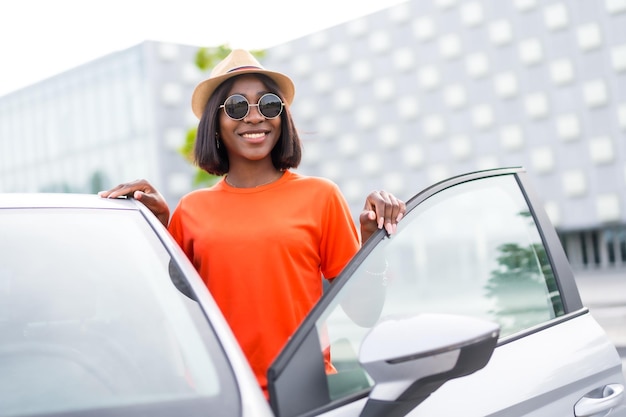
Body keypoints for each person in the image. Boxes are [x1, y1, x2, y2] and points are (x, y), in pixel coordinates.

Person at [99, 49, 406, 396]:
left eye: (268, 104)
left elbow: (363, 313)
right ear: (215, 123)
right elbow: (169, 311)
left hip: (301, 393)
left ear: (282, 117)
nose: (255, 117)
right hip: (222, 396)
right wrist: (155, 229)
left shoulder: (321, 196)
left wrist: (371, 243)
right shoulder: (190, 210)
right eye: (236, 107)